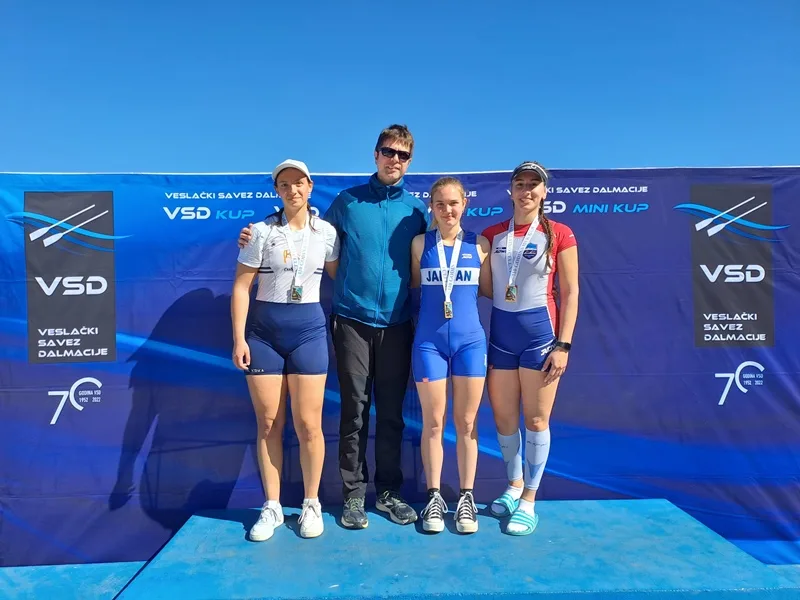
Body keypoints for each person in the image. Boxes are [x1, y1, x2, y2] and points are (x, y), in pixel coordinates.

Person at [237, 125, 428, 529]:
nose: (394, 160)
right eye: (387, 151)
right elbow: (309, 243)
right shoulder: (347, 202)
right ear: (375, 155)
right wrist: (254, 234)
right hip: (351, 321)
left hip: (397, 322)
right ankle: (353, 495)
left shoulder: (417, 211)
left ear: (410, 161)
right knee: (354, 411)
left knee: (391, 413)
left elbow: (425, 260)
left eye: (402, 155)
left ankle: (389, 493)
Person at [231, 159, 339, 541]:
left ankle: (311, 503)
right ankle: (272, 506)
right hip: (263, 335)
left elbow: (341, 276)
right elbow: (241, 287)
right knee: (269, 423)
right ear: (277, 191)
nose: (292, 190)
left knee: (309, 425)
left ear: (310, 186)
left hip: (309, 331)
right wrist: (239, 339)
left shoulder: (327, 232)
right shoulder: (260, 232)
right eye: (284, 184)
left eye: (299, 183)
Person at [480, 161, 579, 536]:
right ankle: (514, 486)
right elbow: (485, 287)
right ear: (511, 191)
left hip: (541, 337)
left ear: (544, 191)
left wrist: (563, 344)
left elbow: (570, 293)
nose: (527, 190)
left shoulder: (560, 233)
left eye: (534, 184)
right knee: (504, 420)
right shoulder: (491, 235)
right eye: (520, 184)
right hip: (501, 336)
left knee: (536, 421)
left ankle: (529, 501)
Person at [410, 177, 490, 534]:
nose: (447, 210)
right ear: (431, 206)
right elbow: (414, 287)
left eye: (453, 203)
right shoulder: (419, 244)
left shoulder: (480, 244)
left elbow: (487, 290)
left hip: (470, 342)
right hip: (429, 343)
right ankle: (434, 497)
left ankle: (466, 498)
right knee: (434, 423)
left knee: (467, 423)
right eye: (440, 204)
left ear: (464, 204)